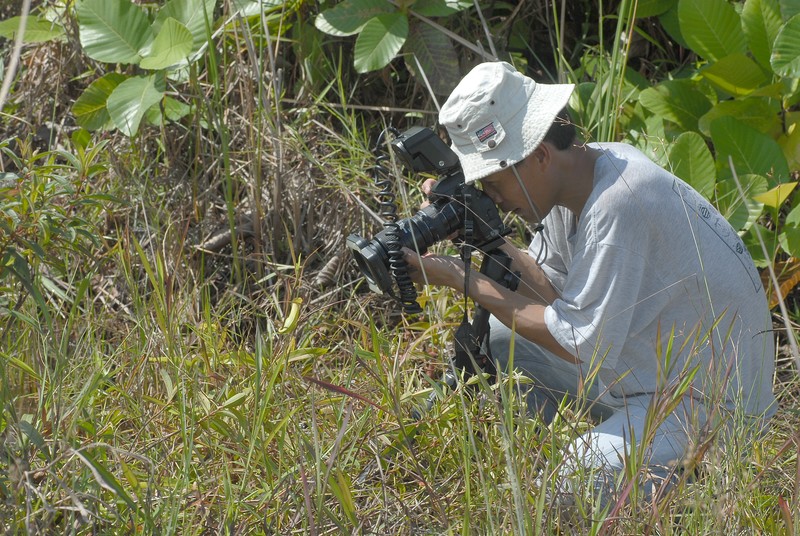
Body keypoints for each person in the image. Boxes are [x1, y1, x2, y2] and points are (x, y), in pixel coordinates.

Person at [403, 61, 776, 506]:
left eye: (493, 182)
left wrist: (458, 277)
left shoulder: (619, 202)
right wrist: (487, 234)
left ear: (539, 155)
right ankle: (604, 452)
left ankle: (698, 490)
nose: (493, 196)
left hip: (712, 406)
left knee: (571, 484)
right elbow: (552, 297)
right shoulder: (578, 178)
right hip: (651, 375)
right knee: (504, 338)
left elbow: (580, 344)